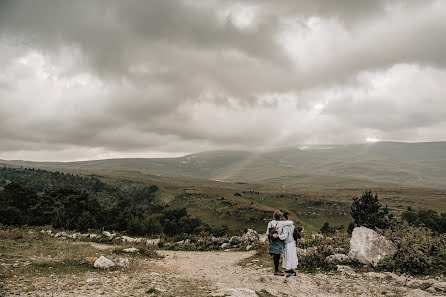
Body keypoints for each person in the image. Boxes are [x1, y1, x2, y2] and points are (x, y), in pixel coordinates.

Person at [267, 210, 293, 276]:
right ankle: (276, 271)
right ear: (280, 216)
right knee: (277, 256)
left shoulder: (270, 223)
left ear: (274, 216)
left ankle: (277, 269)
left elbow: (268, 233)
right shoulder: (281, 223)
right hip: (278, 240)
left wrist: (269, 241)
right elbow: (291, 223)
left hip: (272, 240)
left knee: (275, 256)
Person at [278, 210, 298, 275]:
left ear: (284, 217)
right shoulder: (292, 225)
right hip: (292, 242)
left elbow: (284, 236)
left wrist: (278, 236)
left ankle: (290, 269)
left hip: (288, 243)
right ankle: (292, 269)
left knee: (288, 256)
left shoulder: (285, 226)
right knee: (292, 256)